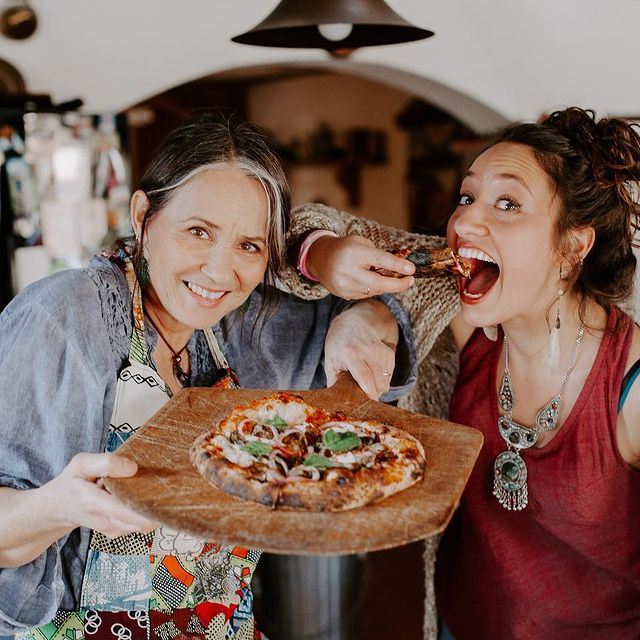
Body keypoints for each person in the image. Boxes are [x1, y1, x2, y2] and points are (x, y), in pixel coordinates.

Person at [0, 113, 415, 639]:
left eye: (249, 246)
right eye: (199, 232)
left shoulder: (246, 324)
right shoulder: (65, 316)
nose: (221, 273)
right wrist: (55, 506)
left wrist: (363, 315)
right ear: (144, 217)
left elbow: (386, 321)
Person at [284, 107, 640, 639]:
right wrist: (334, 264)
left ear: (571, 247)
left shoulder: (629, 387)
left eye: (508, 203)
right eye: (468, 197)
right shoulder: (466, 316)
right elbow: (295, 228)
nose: (464, 222)